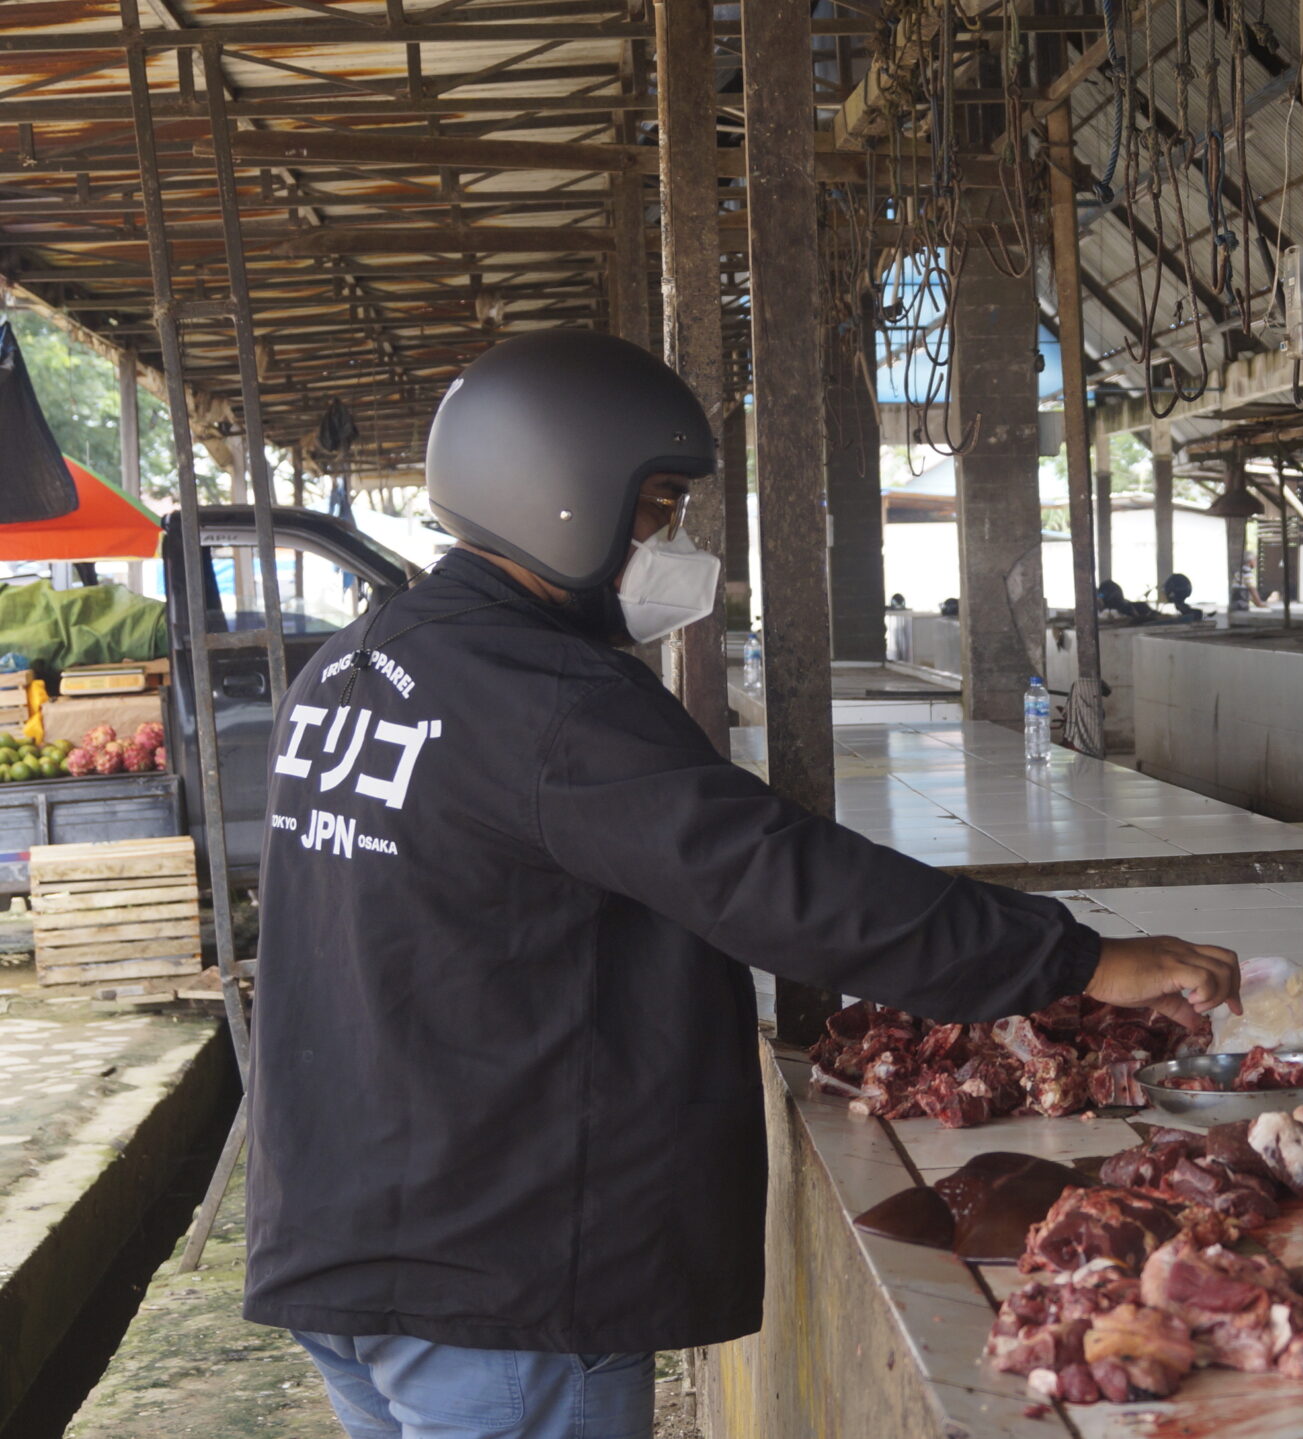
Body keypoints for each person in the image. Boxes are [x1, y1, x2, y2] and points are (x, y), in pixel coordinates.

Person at [246, 331, 1241, 1439]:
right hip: (494, 1274)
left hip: (351, 1228)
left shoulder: (355, 664)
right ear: (560, 493)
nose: (666, 540)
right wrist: (1079, 958)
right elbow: (781, 878)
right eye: (657, 504)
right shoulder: (543, 698)